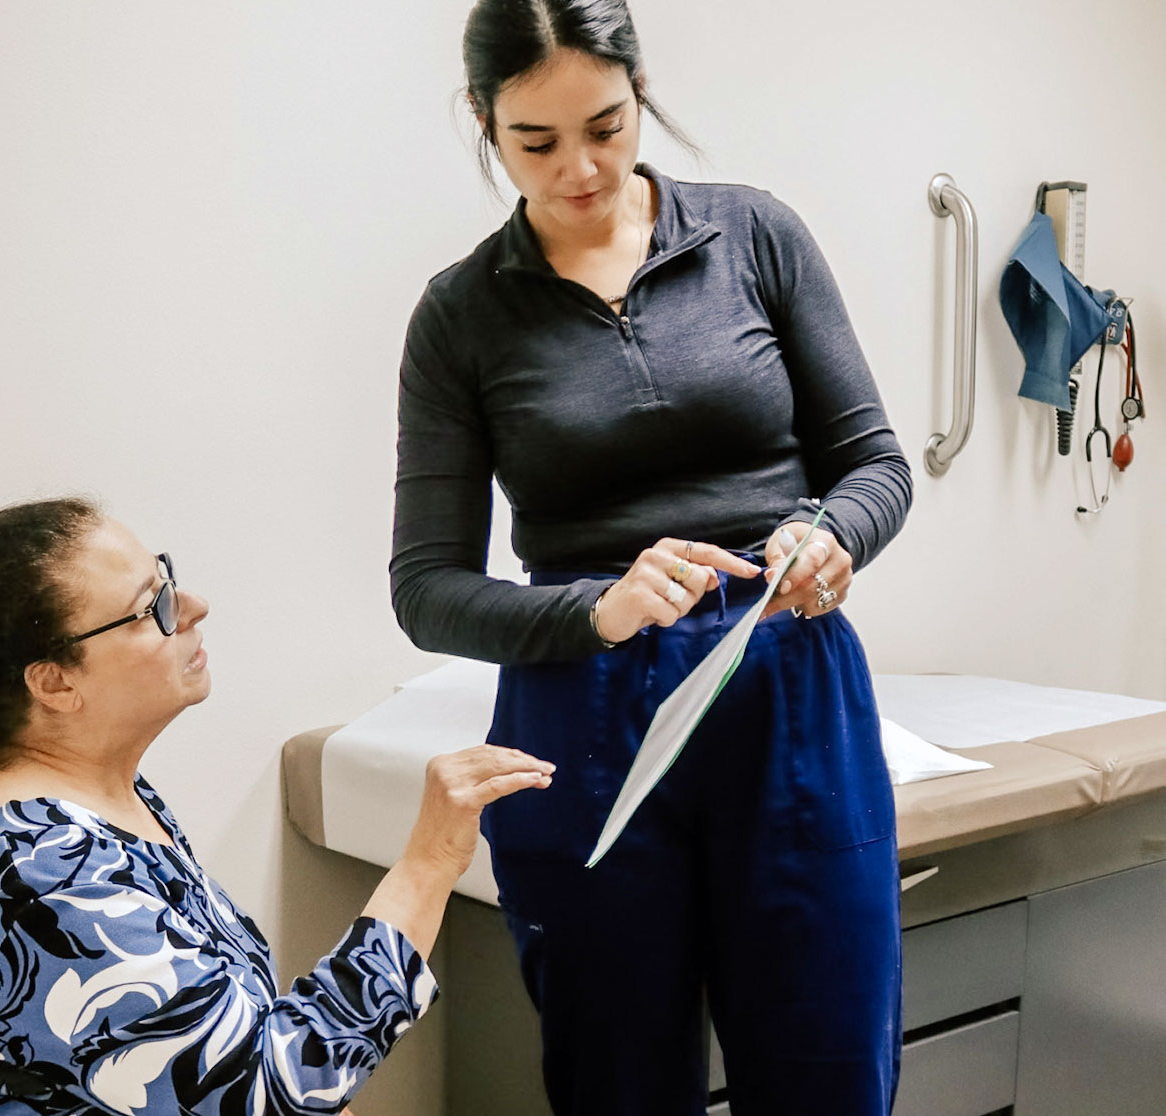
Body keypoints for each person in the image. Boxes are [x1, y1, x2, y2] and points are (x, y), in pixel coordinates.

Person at [390, 3, 913, 1114]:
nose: (580, 167)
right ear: (485, 123)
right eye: (536, 142)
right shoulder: (460, 316)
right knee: (616, 1080)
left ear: (639, 92)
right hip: (581, 722)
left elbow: (874, 464)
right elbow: (426, 590)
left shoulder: (754, 236)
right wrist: (597, 610)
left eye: (607, 125)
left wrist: (833, 535)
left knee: (827, 1068)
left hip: (788, 687)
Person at [0, 497, 554, 1115]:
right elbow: (264, 1094)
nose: (193, 606)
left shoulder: (86, 796)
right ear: (55, 685)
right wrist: (429, 863)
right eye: (152, 607)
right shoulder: (38, 873)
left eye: (166, 578)